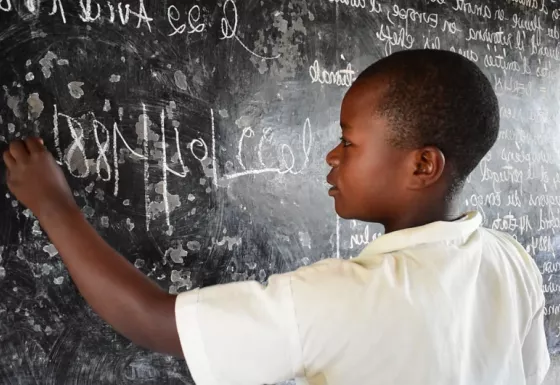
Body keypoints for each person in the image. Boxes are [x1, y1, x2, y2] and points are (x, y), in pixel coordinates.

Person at [3, 49, 550, 385]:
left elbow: (154, 320)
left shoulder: (347, 297)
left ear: (423, 164)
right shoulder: (511, 260)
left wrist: (53, 205)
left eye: (348, 142)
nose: (332, 156)